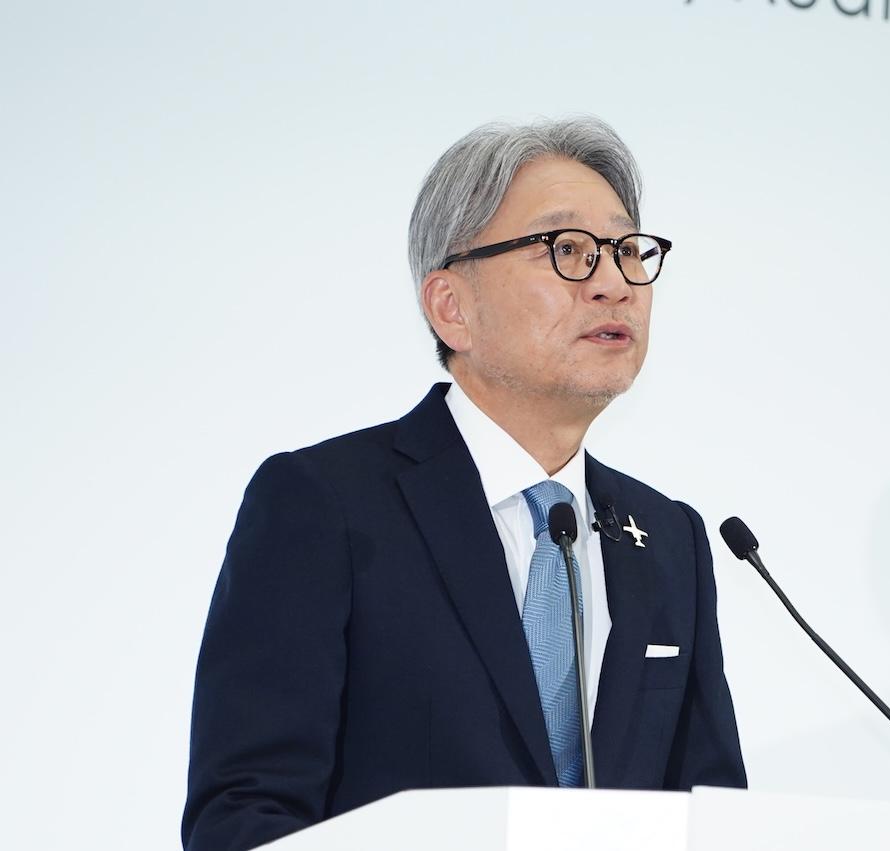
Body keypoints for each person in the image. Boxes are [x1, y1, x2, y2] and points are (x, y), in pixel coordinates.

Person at [181, 116, 747, 851]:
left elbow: (712, 818)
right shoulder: (325, 504)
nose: (614, 284)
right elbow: (244, 815)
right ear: (452, 306)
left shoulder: (668, 537)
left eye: (628, 251)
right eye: (568, 250)